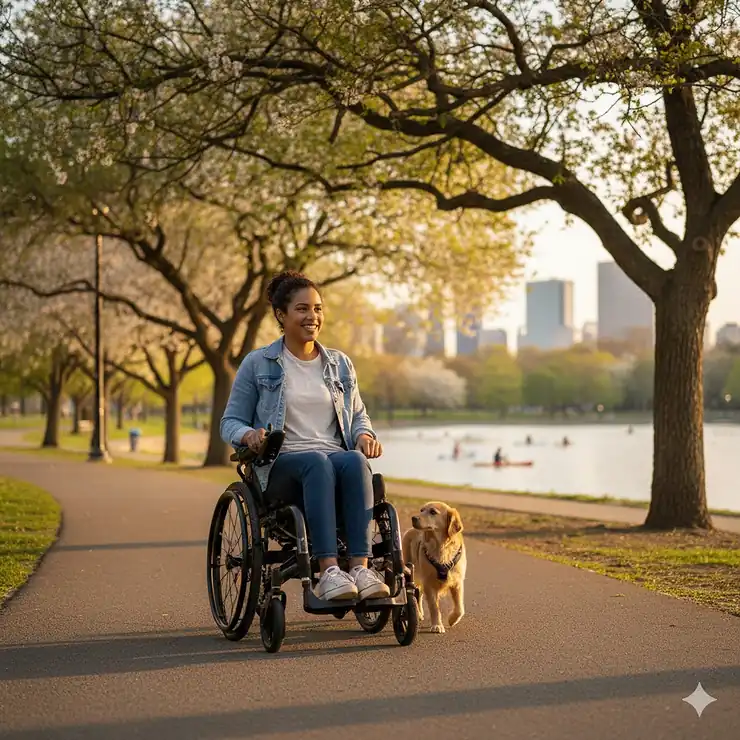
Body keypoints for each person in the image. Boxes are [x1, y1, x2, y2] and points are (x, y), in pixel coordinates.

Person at [220, 271, 390, 603]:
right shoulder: (259, 363)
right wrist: (249, 435)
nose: (312, 317)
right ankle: (328, 571)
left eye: (317, 308)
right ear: (281, 315)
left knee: (354, 459)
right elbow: (229, 422)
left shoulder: (339, 364)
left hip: (335, 463)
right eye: (302, 309)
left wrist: (365, 435)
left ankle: (360, 569)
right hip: (282, 467)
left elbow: (357, 415)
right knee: (316, 462)